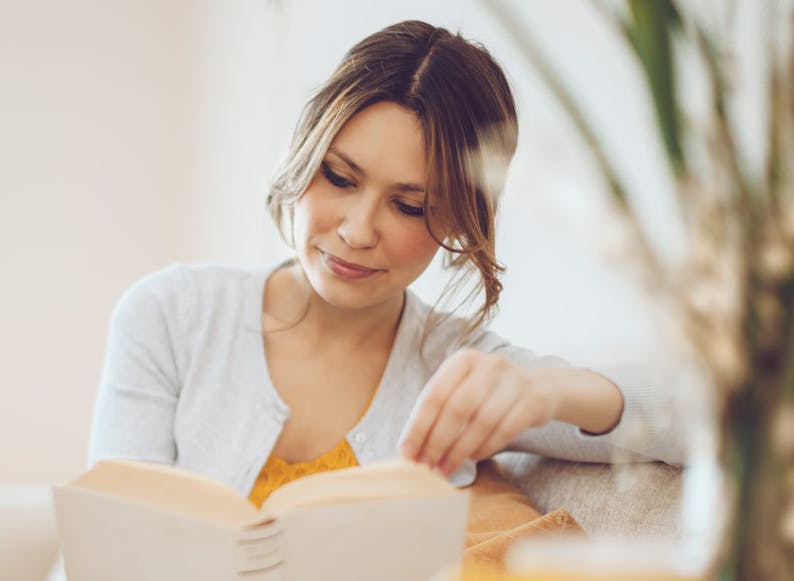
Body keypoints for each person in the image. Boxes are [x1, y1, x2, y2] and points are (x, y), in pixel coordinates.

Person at [88, 19, 681, 509]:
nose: (357, 231)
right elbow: (112, 543)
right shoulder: (171, 315)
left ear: (458, 219)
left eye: (409, 206)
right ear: (305, 154)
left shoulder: (455, 371)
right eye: (339, 177)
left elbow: (705, 421)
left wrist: (548, 388)